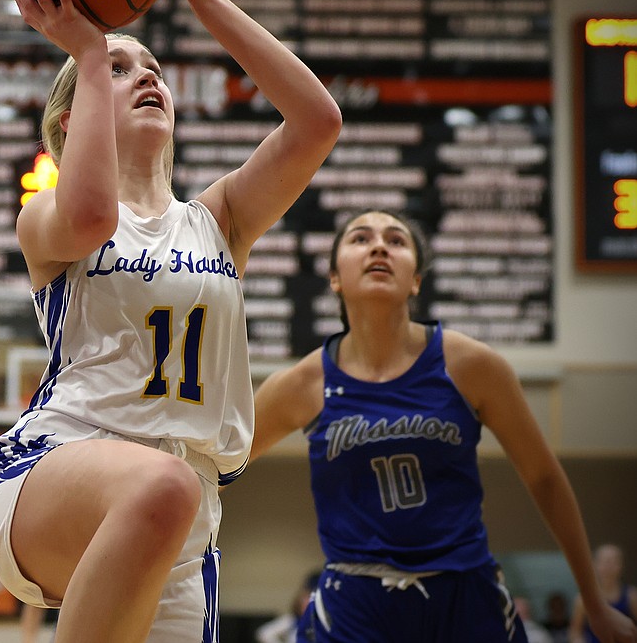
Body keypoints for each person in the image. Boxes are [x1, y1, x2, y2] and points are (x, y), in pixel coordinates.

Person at [0, 0, 342, 643]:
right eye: (117, 68)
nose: (146, 75)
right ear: (72, 120)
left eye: (153, 69)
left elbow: (316, 122)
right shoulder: (46, 218)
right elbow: (89, 216)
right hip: (59, 464)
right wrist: (84, 43)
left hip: (187, 516)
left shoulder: (219, 219)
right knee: (161, 486)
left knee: (171, 490)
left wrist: (207, 0)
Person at [251, 209, 637, 643]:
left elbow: (545, 478)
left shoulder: (471, 364)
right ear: (335, 278)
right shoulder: (302, 384)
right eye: (361, 238)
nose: (379, 245)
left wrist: (595, 601)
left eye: (396, 240)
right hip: (355, 601)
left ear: (416, 279)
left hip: (464, 594)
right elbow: (216, 472)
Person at [572, 545, 637, 643]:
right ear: (595, 565)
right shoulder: (583, 598)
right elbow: (575, 632)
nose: (608, 566)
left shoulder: (632, 595)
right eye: (604, 561)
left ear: (621, 565)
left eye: (613, 561)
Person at [254, 571, 319, 643]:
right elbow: (264, 633)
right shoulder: (291, 621)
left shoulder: (323, 622)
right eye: (305, 603)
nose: (308, 606)